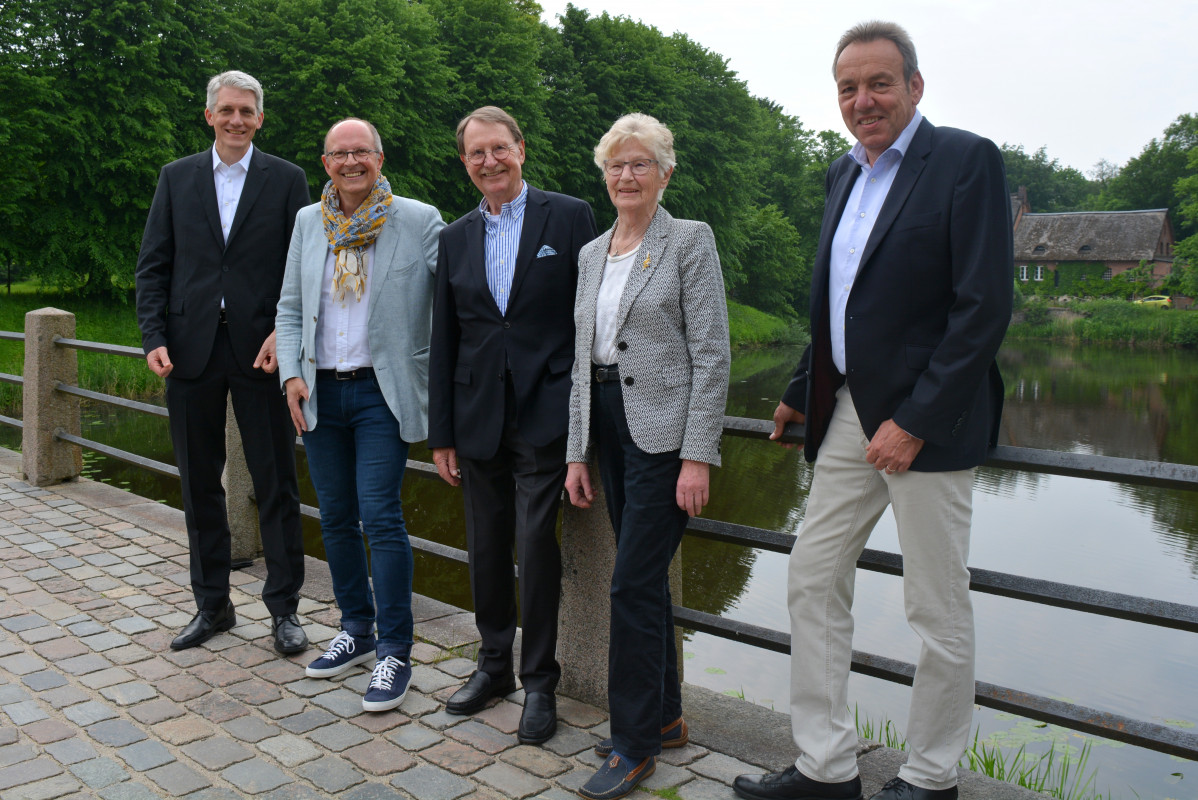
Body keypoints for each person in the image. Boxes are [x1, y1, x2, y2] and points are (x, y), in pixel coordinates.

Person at [733, 21, 1013, 800]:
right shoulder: (841, 174)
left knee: (935, 607)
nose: (863, 100)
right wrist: (799, 389)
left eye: (879, 83)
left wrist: (918, 418)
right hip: (849, 412)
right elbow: (834, 304)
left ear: (914, 87)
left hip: (930, 424)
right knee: (813, 579)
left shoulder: (964, 160)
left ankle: (931, 779)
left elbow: (983, 308)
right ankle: (827, 767)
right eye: (848, 87)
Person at [565, 113, 730, 800]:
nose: (626, 176)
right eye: (616, 166)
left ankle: (632, 746)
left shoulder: (689, 241)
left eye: (640, 164)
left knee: (631, 584)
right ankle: (663, 718)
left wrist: (699, 456)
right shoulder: (591, 253)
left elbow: (713, 353)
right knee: (646, 583)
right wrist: (577, 451)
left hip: (664, 437)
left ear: (665, 172)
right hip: (607, 424)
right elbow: (581, 359)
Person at [428, 106, 597, 744]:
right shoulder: (453, 237)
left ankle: (541, 682)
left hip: (547, 413)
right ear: (465, 162)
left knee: (535, 545)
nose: (490, 162)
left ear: (520, 149)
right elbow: (444, 336)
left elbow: (589, 319)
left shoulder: (571, 215)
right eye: (477, 154)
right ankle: (492, 665)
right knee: (485, 547)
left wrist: (587, 421)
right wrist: (440, 432)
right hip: (476, 417)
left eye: (499, 149)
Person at [135, 70, 310, 655]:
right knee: (199, 487)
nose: (237, 120)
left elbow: (301, 269)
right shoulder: (176, 178)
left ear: (261, 118)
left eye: (248, 112)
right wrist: (152, 335)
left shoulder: (286, 180)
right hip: (189, 353)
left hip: (261, 355)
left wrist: (285, 338)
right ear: (209, 115)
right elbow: (154, 265)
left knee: (277, 483)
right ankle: (212, 606)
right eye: (227, 110)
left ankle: (284, 610)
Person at [274, 118, 444, 712]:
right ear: (326, 163)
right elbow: (290, 304)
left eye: (361, 152)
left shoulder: (418, 220)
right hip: (320, 390)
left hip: (383, 393)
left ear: (379, 157)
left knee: (380, 513)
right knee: (337, 516)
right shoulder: (306, 222)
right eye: (340, 154)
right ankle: (356, 628)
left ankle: (395, 647)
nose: (351, 162)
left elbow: (453, 299)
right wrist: (291, 373)